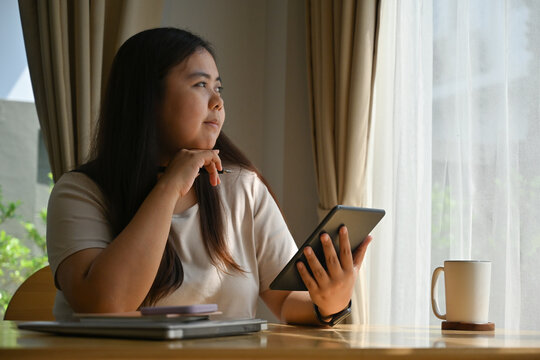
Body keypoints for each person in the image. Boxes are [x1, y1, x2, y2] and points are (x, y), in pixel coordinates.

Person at [46, 27, 372, 325]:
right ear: (147, 98)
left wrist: (329, 303)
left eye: (218, 87)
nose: (218, 102)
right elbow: (106, 306)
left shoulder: (242, 188)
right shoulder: (80, 193)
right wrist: (170, 186)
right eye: (201, 85)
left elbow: (286, 300)